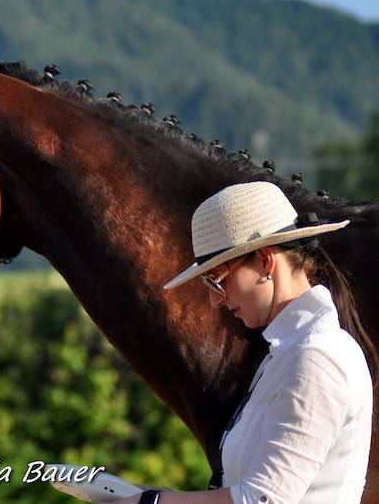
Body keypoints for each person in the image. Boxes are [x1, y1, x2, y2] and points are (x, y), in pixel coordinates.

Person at [123, 182, 376, 504]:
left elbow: (263, 499)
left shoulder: (315, 357)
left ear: (266, 261)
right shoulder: (290, 352)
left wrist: (154, 501)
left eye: (217, 279)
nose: (215, 301)